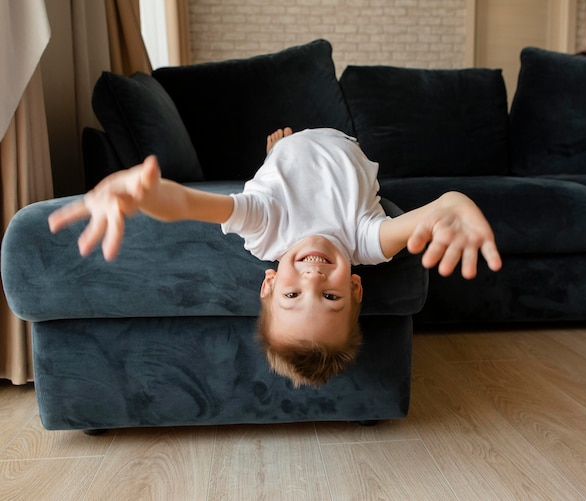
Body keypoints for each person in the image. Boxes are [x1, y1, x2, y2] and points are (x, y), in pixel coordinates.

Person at [49, 127, 502, 387]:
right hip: (344, 142)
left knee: (264, 179)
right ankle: (275, 155)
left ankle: (272, 158)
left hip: (288, 160)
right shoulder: (369, 242)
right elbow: (438, 210)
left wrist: (141, 194)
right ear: (356, 286)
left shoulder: (265, 229)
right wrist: (457, 206)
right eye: (330, 297)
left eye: (291, 293)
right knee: (290, 157)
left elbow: (190, 206)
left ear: (268, 283)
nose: (312, 275)